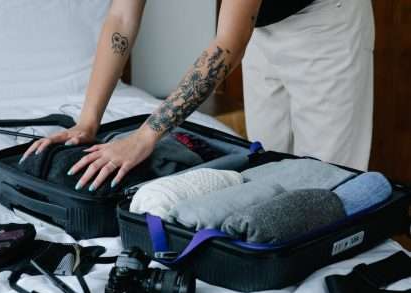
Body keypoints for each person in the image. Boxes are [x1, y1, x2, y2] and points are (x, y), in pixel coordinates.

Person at [22, 0, 375, 192]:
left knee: (330, 180)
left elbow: (227, 46)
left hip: (326, 21)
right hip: (260, 25)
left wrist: (145, 137)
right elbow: (121, 18)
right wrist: (88, 120)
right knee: (269, 170)